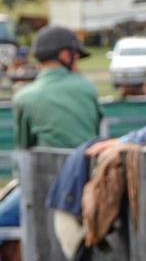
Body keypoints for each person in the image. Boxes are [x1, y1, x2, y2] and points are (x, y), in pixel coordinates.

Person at [0, 26, 102, 228]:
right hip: (86, 180)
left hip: (42, 184)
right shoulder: (88, 89)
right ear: (66, 55)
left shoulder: (24, 97)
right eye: (77, 57)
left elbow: (23, 151)